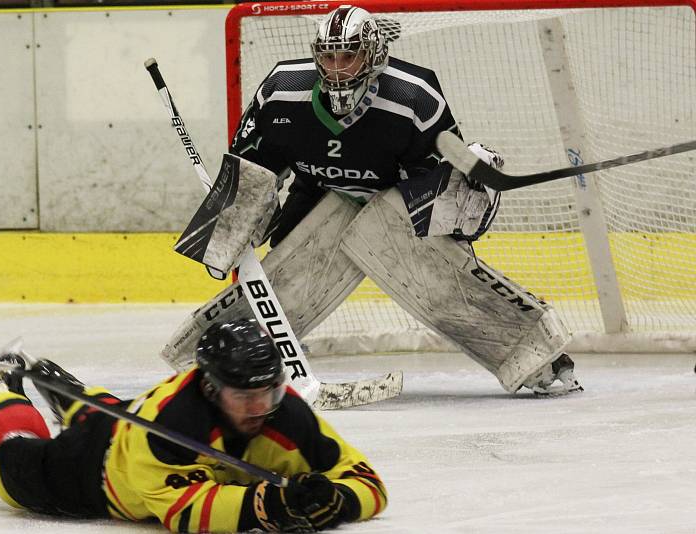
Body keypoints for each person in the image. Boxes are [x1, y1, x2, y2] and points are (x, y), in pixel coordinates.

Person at [162, 4, 582, 397]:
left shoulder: (414, 97)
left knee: (439, 280)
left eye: (349, 57)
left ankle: (534, 357)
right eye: (328, 57)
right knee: (285, 279)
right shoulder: (281, 90)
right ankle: (217, 364)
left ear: (374, 55)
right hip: (319, 191)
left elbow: (434, 184)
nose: (337, 68)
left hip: (391, 198)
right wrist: (230, 226)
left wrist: (467, 189)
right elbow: (254, 171)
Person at [0, 319, 387, 532]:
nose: (259, 408)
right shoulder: (171, 424)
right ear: (210, 389)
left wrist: (340, 499)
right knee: (12, 468)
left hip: (130, 422)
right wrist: (268, 506)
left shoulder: (286, 414)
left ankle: (52, 380)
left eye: (268, 392)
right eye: (245, 396)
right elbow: (185, 512)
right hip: (98, 473)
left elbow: (367, 481)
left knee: (109, 412)